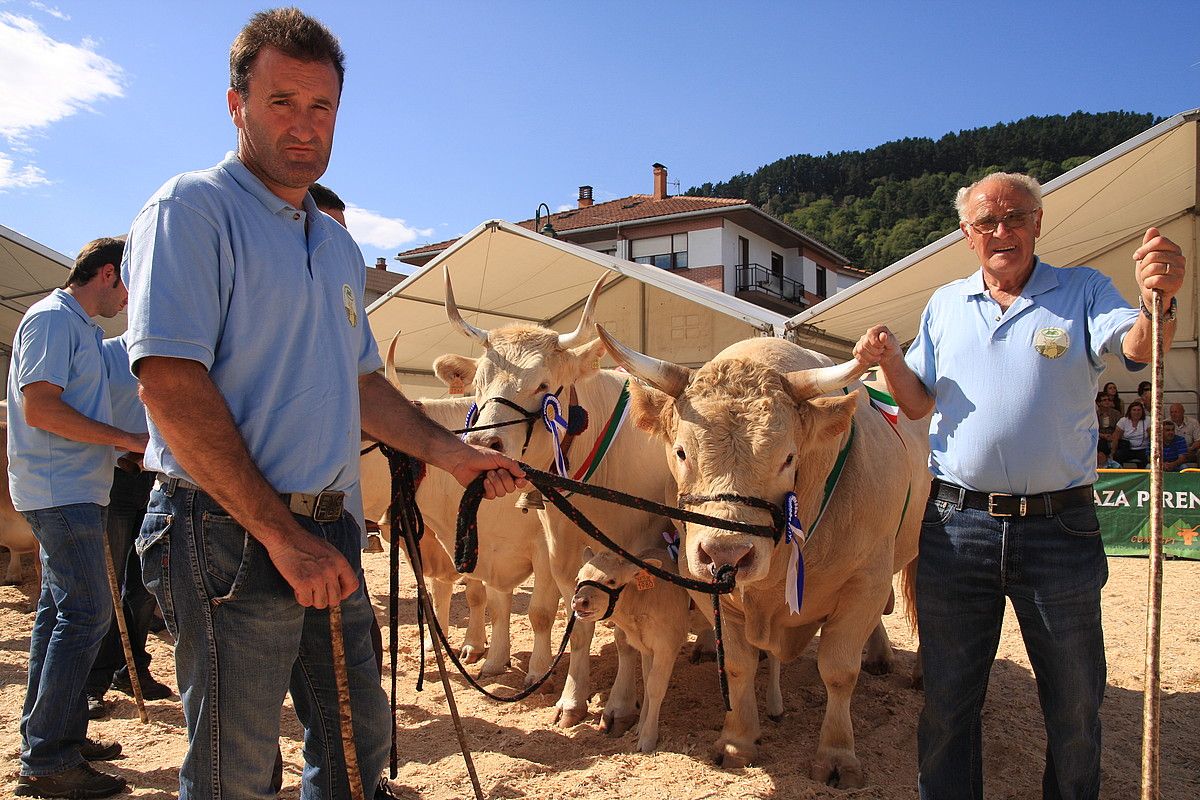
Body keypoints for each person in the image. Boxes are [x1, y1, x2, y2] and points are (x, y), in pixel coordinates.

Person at [121, 9, 524, 799]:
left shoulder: (334, 242)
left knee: (357, 742)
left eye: (322, 107)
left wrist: (453, 452)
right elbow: (167, 383)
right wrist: (279, 534)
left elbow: (364, 384)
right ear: (236, 104)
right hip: (224, 528)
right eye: (282, 103)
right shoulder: (190, 210)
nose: (304, 127)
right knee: (235, 765)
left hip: (329, 526)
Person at [853, 170, 1185, 800]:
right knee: (948, 706)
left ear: (1038, 222)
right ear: (967, 234)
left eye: (1015, 217)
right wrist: (892, 360)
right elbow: (918, 405)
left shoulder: (1083, 289)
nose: (1001, 231)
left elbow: (1142, 348)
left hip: (1058, 530)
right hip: (956, 528)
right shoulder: (944, 305)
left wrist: (1157, 300)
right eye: (987, 222)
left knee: (1075, 709)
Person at [7, 237, 149, 799]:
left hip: (72, 487)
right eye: (129, 284)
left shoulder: (83, 329)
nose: (130, 297)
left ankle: (51, 735)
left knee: (59, 614)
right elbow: (39, 407)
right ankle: (46, 761)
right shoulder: (51, 319)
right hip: (57, 490)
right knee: (88, 614)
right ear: (108, 273)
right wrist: (124, 439)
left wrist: (120, 447)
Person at [84, 332, 173, 720]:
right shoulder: (103, 355)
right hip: (113, 479)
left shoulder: (166, 353)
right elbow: (85, 418)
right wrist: (120, 449)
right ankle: (93, 683)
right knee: (107, 588)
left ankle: (131, 668)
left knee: (141, 589)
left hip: (152, 483)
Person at [1111, 401, 1150, 467]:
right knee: (1118, 455)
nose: (1136, 412)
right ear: (1130, 411)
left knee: (1147, 459)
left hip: (1143, 449)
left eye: (1139, 410)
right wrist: (1113, 452)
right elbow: (1116, 437)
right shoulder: (1123, 421)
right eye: (1134, 410)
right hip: (1127, 449)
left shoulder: (1148, 420)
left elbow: (1152, 436)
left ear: (1142, 411)